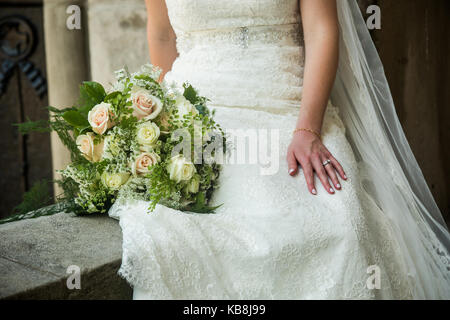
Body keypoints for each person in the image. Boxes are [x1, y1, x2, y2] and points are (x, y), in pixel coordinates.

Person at [109, 0, 450, 299]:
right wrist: (164, 125)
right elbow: (163, 35)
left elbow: (321, 30)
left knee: (342, 224)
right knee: (176, 233)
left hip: (289, 105)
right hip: (199, 116)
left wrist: (308, 128)